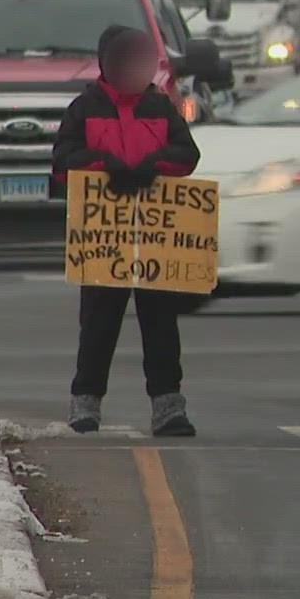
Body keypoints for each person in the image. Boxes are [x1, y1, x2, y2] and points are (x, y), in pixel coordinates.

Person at [53, 24, 201, 437]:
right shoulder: (84, 108)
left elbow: (187, 155)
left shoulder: (160, 106)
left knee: (160, 325)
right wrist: (105, 165)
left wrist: (151, 167)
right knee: (99, 324)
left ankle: (169, 408)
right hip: (104, 236)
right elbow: (63, 163)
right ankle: (85, 406)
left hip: (154, 236)